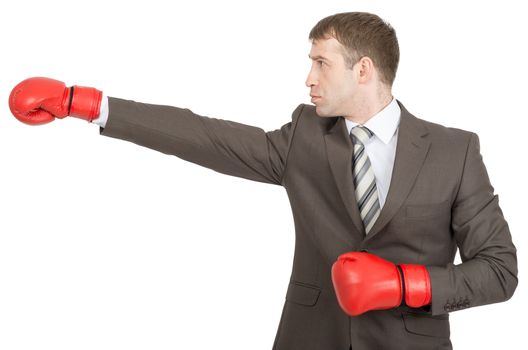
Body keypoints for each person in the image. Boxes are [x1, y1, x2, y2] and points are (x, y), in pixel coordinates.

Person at [8, 11, 518, 350]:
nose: (308, 78)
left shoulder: (455, 150)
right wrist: (92, 105)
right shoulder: (305, 137)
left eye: (321, 62)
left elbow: (500, 271)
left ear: (363, 69)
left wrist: (407, 284)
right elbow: (206, 137)